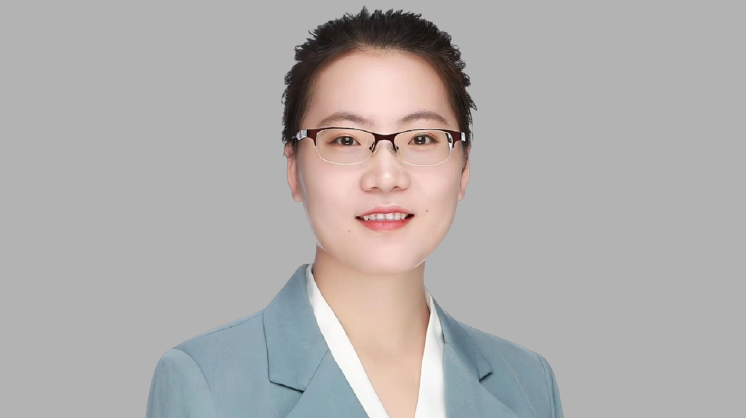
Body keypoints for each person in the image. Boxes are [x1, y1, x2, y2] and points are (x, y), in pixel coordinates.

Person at [146, 7, 563, 418]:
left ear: (464, 168)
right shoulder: (206, 382)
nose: (386, 177)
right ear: (293, 168)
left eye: (421, 138)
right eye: (346, 140)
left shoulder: (528, 383)